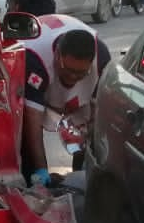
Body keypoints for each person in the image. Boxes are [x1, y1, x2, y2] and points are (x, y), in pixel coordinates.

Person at [19, 13, 113, 186]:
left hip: (80, 100)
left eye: (80, 73)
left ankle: (80, 178)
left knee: (86, 139)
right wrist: (41, 169)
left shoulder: (102, 60)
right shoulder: (35, 60)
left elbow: (98, 118)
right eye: (68, 69)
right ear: (57, 56)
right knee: (26, 148)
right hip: (40, 80)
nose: (72, 77)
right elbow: (32, 122)